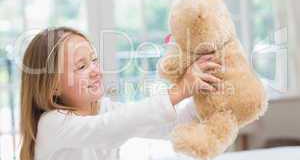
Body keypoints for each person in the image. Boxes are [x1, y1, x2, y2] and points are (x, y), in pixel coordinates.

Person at [19, 27, 222, 160]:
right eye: (81, 66)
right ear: (53, 86)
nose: (96, 71)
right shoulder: (52, 124)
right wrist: (180, 90)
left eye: (94, 60)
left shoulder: (105, 109)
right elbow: (109, 129)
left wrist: (206, 92)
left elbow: (173, 126)